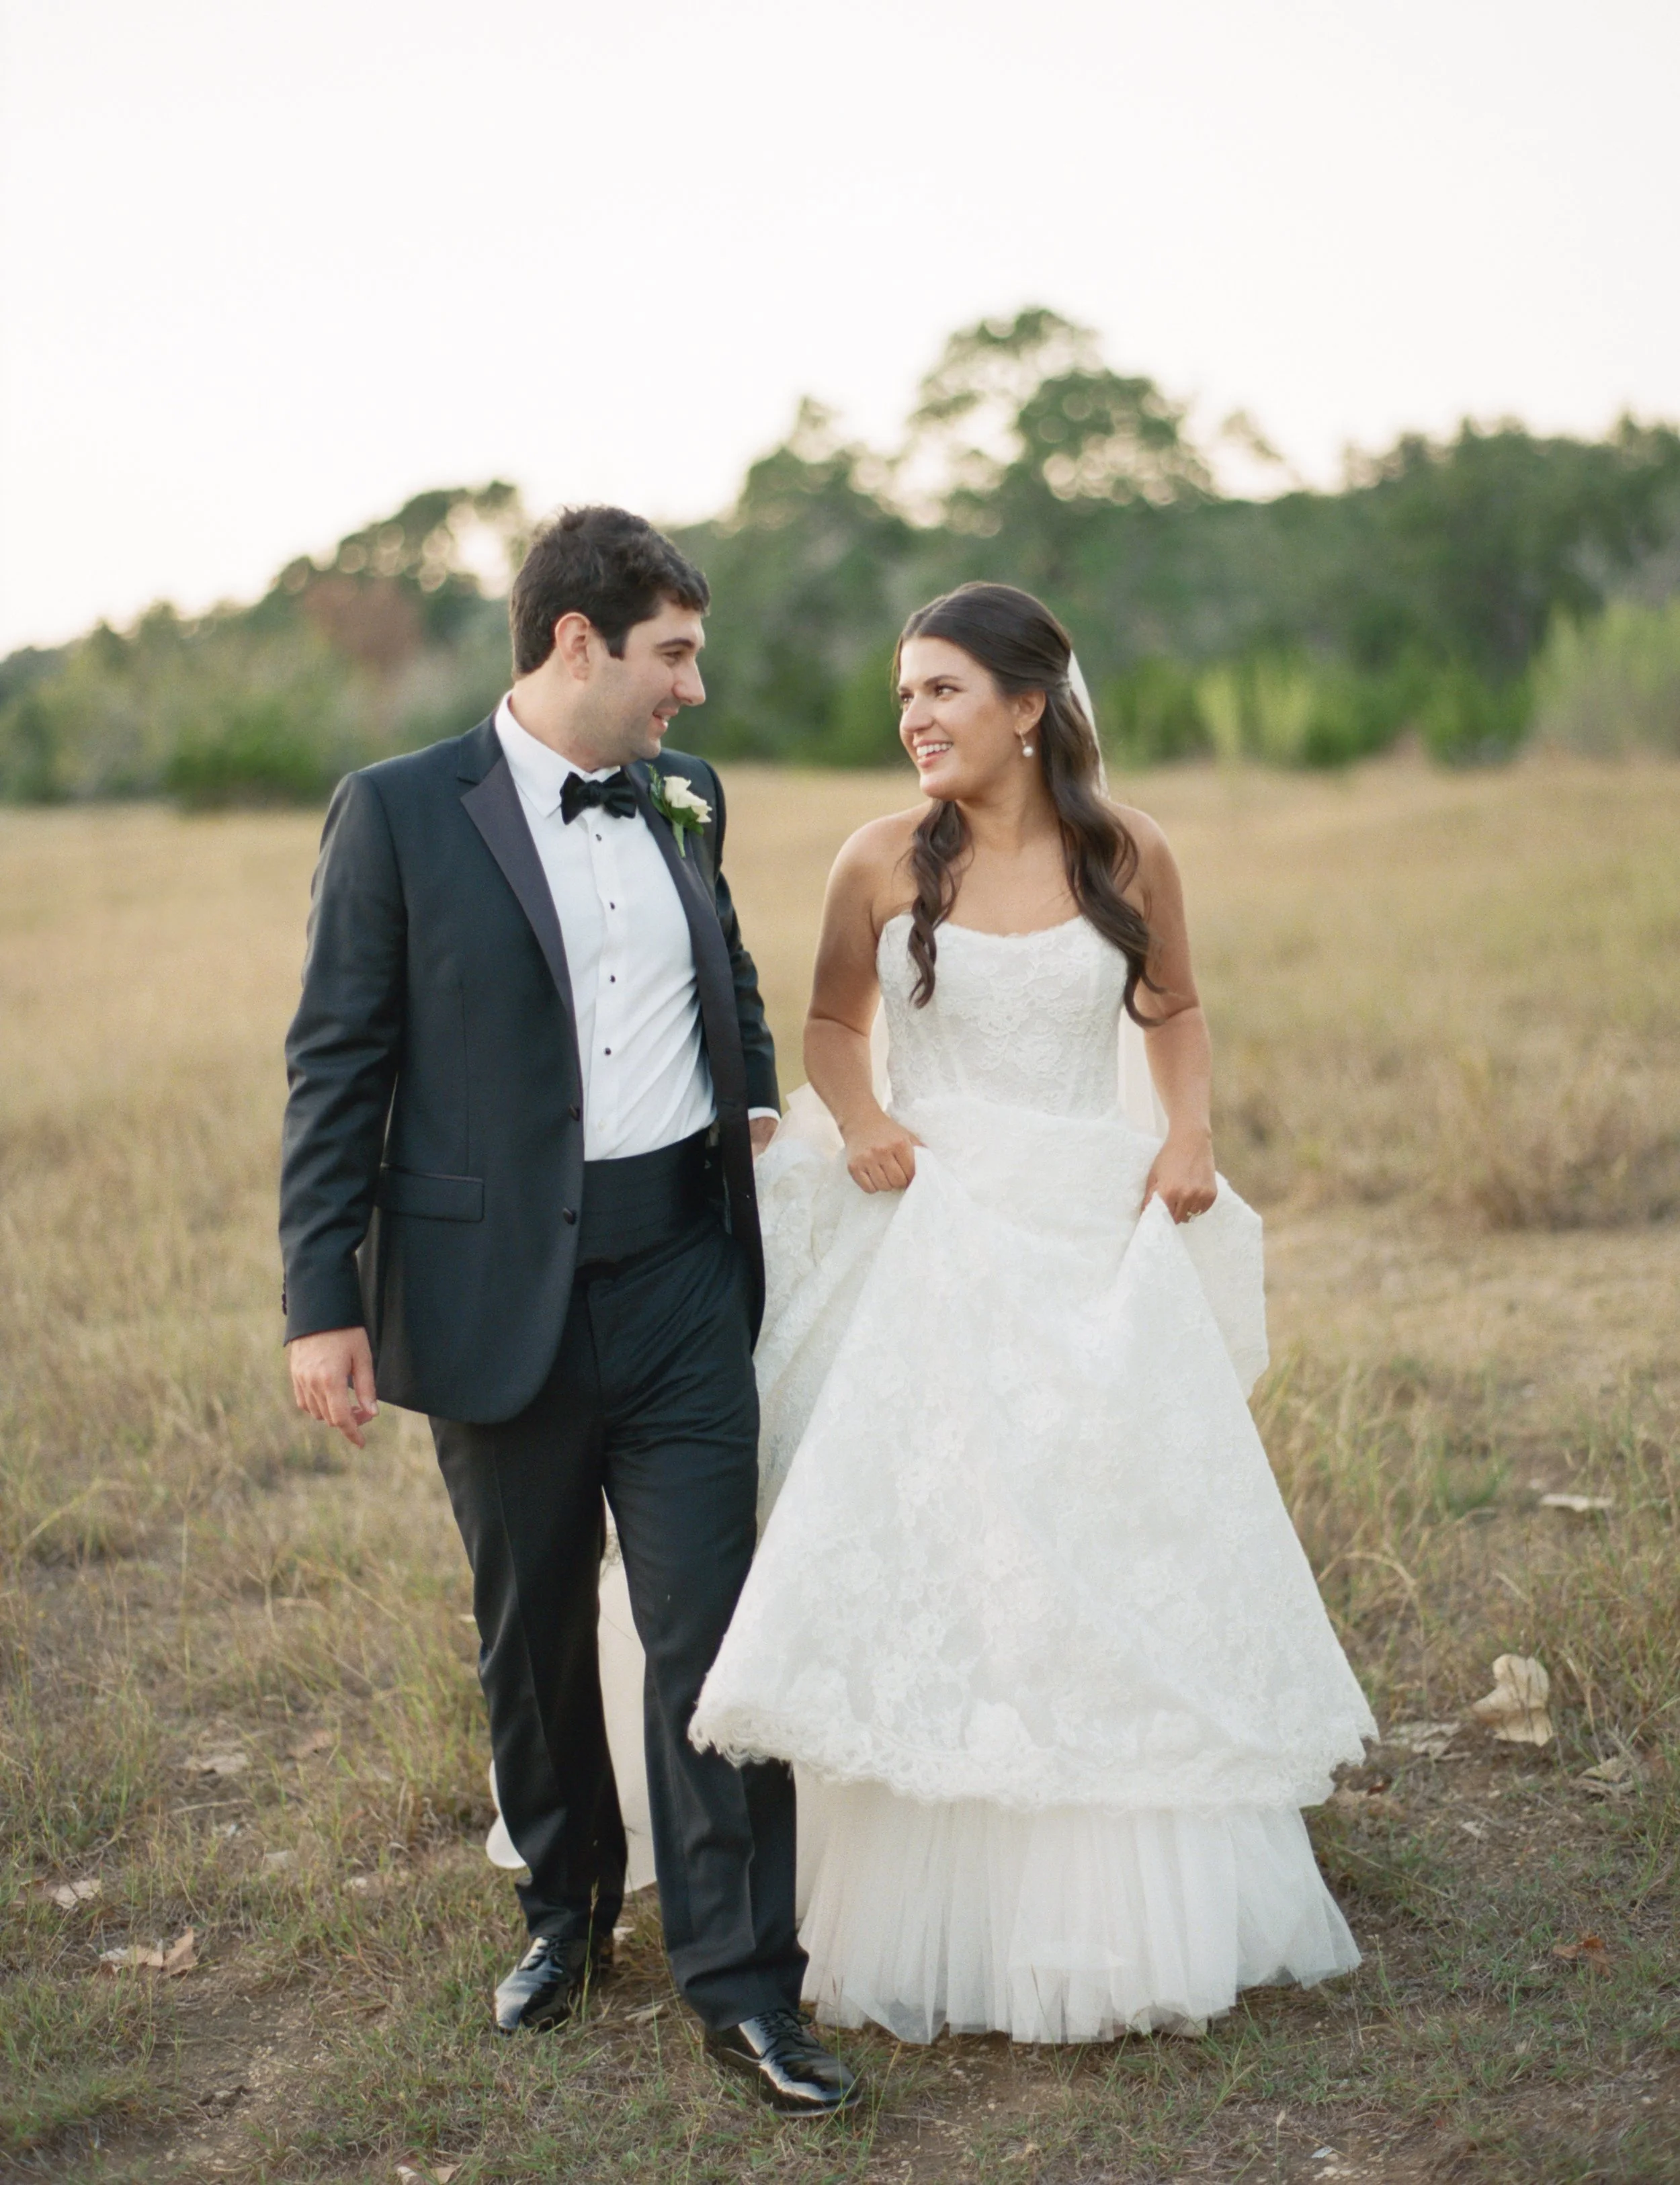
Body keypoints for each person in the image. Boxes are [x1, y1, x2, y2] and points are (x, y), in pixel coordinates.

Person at [689, 581, 1378, 2043]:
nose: (913, 719)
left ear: (1025, 703)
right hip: (929, 1219)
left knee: (1100, 1527)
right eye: (902, 696)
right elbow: (823, 1025)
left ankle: (1110, 1884)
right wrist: (863, 1117)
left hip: (1080, 1214)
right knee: (945, 1533)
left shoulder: (1128, 853)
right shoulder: (876, 860)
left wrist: (1186, 1136)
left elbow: (1174, 1009)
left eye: (940, 690)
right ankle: (918, 1862)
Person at [278, 507, 859, 2116]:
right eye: (672, 655)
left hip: (681, 1278)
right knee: (530, 1637)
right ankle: (565, 1913)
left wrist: (743, 1104)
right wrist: (320, 1301)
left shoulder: (690, 795)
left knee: (712, 1634)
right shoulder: (398, 815)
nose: (693, 693)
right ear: (577, 641)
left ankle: (745, 1988)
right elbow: (336, 1061)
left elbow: (719, 962)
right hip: (489, 1294)